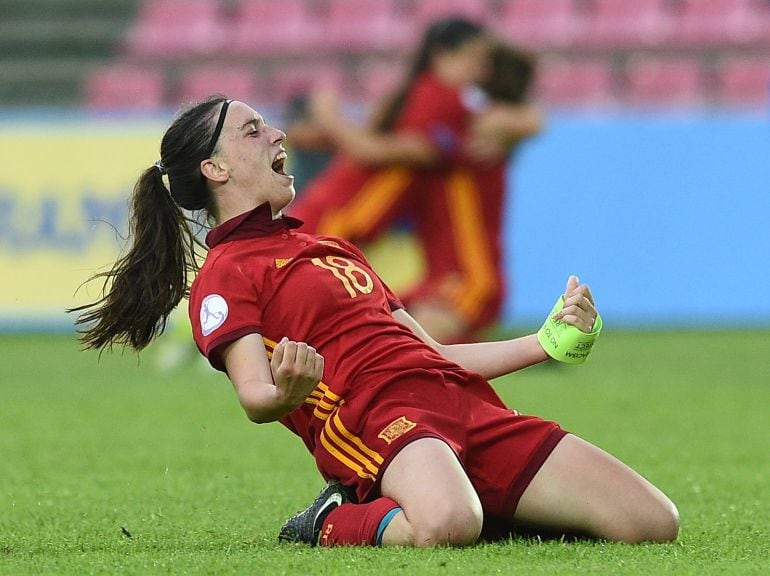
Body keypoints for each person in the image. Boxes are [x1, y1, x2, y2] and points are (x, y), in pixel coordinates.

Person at [70, 96, 679, 548]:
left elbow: (437, 353)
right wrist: (287, 392)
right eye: (253, 130)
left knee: (653, 524)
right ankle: (332, 517)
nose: (278, 133)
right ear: (216, 170)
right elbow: (255, 396)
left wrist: (547, 342)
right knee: (447, 524)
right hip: (377, 420)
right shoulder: (225, 274)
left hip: (465, 404)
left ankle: (471, 494)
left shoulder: (333, 249)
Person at [289, 18, 542, 343]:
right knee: (375, 339)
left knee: (389, 344)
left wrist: (328, 114)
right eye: (473, 58)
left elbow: (370, 148)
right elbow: (374, 145)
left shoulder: (449, 107)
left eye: (484, 63)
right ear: (441, 56)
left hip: (458, 279)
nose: (477, 71)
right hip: (341, 231)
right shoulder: (437, 101)